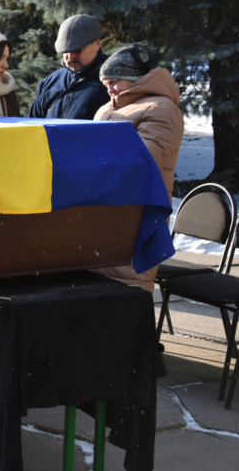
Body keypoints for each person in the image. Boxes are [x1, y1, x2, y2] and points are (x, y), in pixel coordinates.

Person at [93, 44, 183, 292]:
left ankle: (132, 314)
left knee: (129, 277)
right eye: (106, 83)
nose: (110, 89)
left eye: (114, 82)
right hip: (109, 200)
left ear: (136, 79)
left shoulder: (161, 109)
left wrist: (90, 159)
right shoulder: (109, 107)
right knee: (99, 277)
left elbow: (146, 159)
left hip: (139, 204)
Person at [29, 14, 110, 119]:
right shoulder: (49, 83)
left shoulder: (113, 84)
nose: (70, 56)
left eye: (77, 50)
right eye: (65, 50)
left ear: (97, 44)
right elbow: (34, 124)